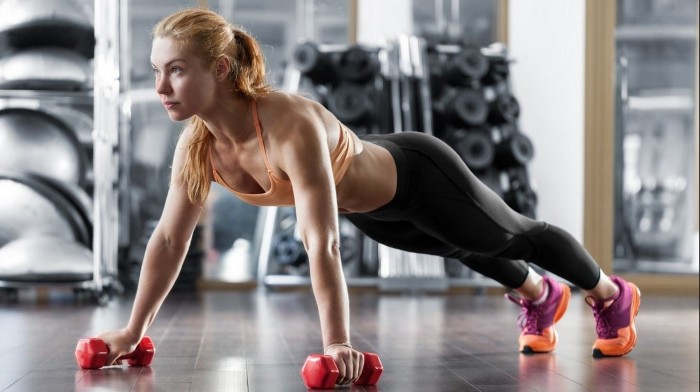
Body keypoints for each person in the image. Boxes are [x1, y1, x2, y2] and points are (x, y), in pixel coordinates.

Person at [96, 8, 641, 385]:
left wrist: (337, 344)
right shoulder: (199, 147)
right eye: (156, 72)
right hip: (373, 211)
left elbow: (322, 243)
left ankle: (609, 293)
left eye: (176, 71)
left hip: (418, 174)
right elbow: (170, 239)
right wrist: (133, 330)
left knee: (508, 234)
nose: (161, 87)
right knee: (459, 246)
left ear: (219, 69)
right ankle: (538, 294)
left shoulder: (288, 124)